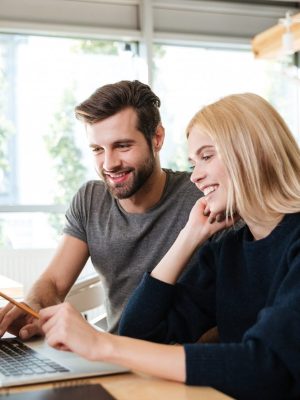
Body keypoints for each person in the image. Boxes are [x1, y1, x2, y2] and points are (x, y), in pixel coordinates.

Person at [39, 93, 300, 399]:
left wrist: (102, 345)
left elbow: (267, 366)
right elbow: (140, 333)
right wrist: (188, 236)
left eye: (207, 156)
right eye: (193, 162)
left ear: (253, 152)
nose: (196, 177)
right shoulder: (228, 250)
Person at [0, 80, 201, 337]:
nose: (109, 163)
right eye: (97, 149)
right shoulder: (90, 200)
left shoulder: (201, 197)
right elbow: (53, 283)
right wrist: (32, 306)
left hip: (181, 362)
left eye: (123, 146)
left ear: (157, 138)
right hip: (113, 357)